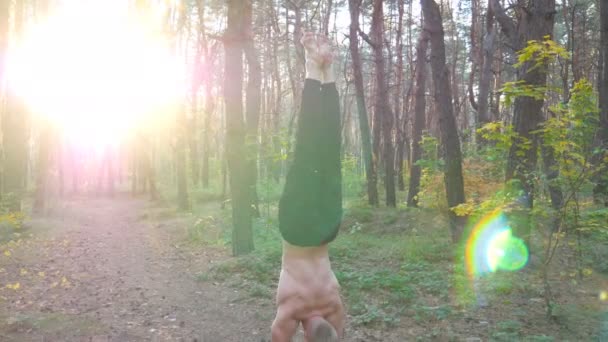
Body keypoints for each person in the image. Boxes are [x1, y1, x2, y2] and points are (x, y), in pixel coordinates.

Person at [270, 32, 345, 342]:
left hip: (328, 228)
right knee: (307, 148)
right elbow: (278, 334)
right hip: (296, 230)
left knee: (329, 152)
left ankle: (326, 72)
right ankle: (314, 68)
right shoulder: (293, 307)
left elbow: (337, 331)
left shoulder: (333, 300)